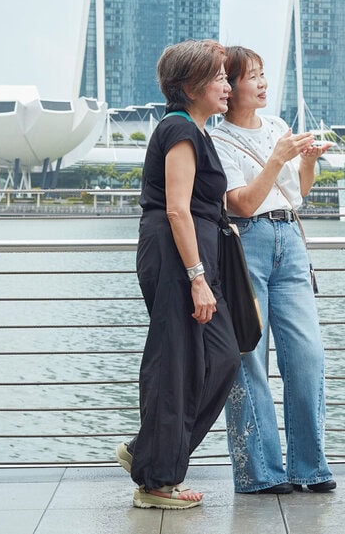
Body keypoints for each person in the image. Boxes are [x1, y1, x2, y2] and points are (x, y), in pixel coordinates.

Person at [115, 39, 240, 510]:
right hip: (176, 258)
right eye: (218, 77)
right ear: (189, 87)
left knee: (223, 356)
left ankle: (149, 454)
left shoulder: (196, 130)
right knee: (176, 364)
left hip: (194, 259)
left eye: (228, 77)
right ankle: (157, 483)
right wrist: (196, 276)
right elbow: (176, 208)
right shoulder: (180, 130)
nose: (227, 86)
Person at [209, 45, 336, 494]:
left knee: (307, 354)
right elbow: (241, 201)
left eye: (264, 75)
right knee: (250, 358)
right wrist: (278, 158)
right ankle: (260, 473)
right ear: (230, 86)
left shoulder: (278, 127)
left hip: (290, 240)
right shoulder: (216, 139)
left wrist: (306, 161)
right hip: (247, 244)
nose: (263, 83)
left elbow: (295, 195)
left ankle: (310, 466)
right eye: (252, 77)